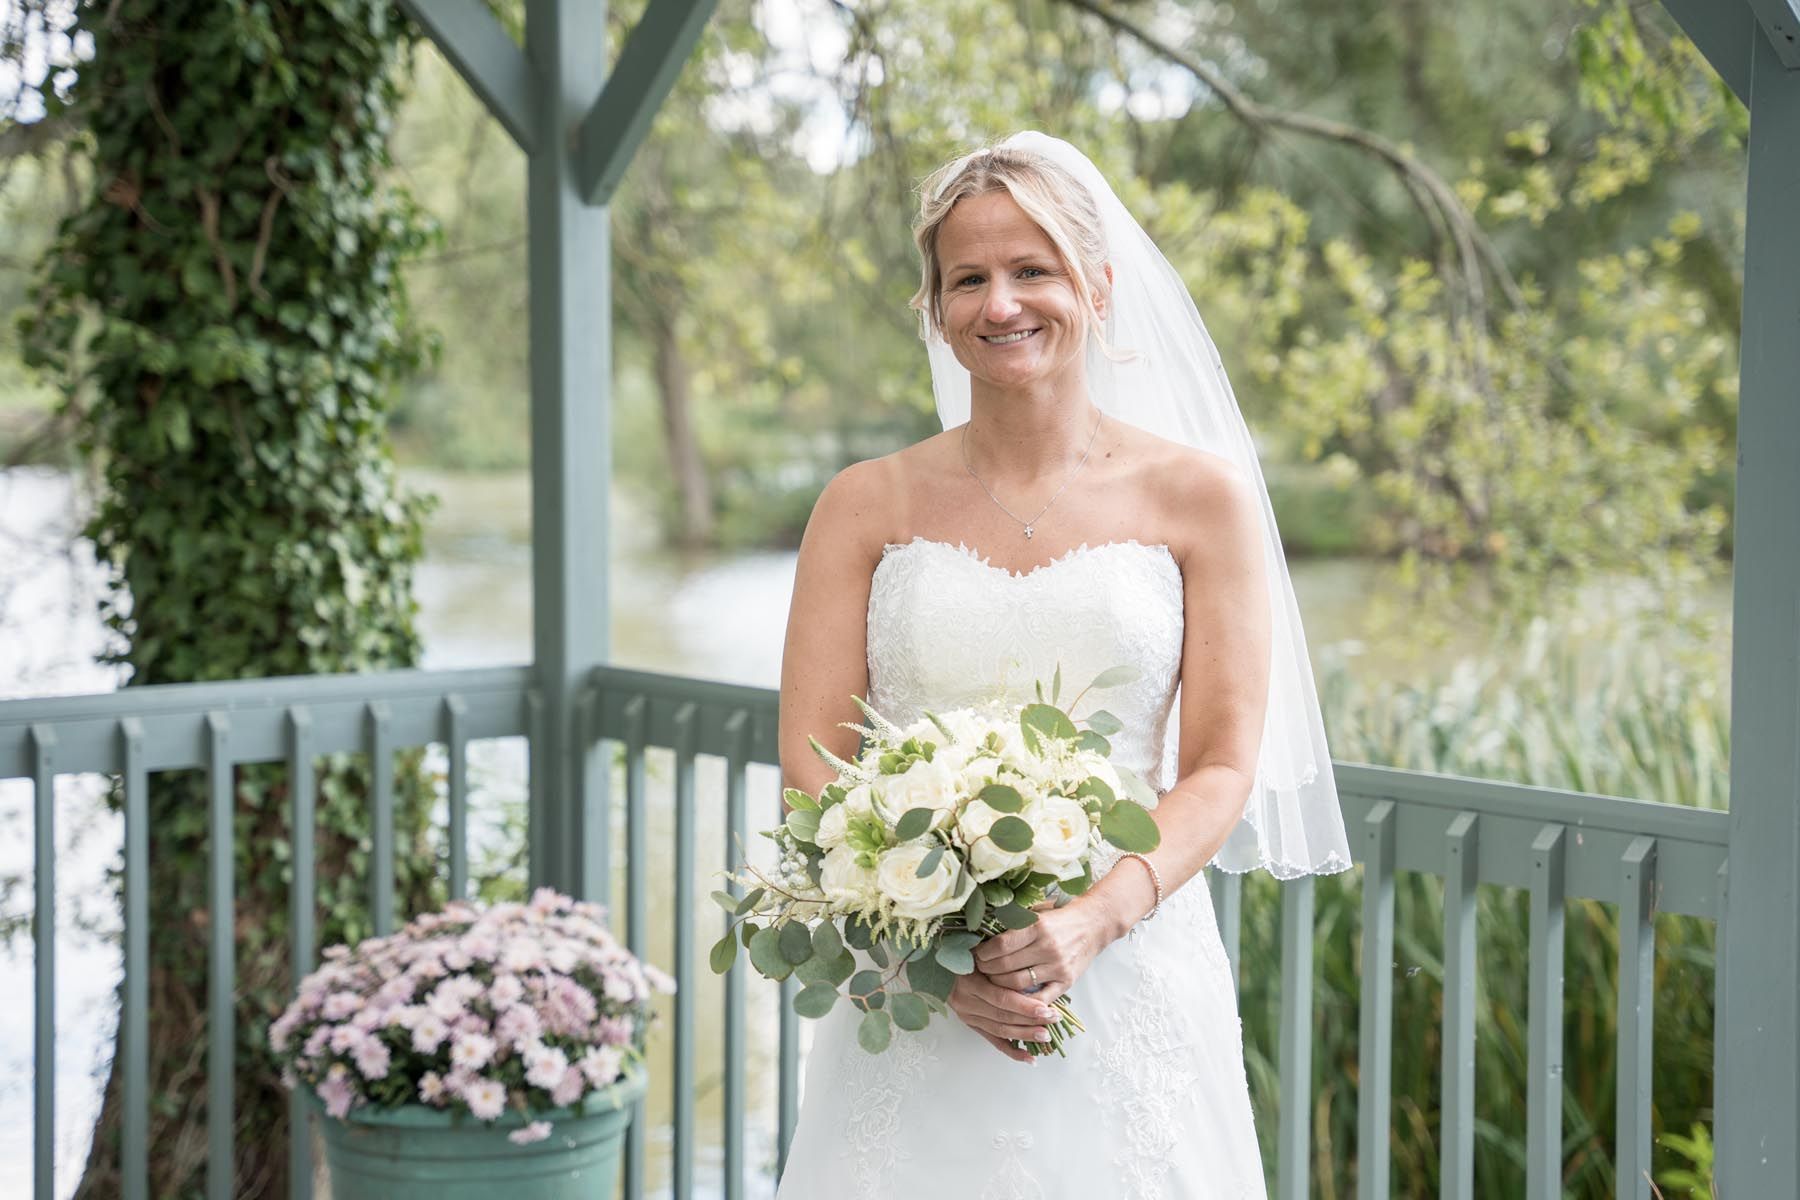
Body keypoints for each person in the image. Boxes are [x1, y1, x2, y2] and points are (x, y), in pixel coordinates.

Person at [773, 132, 1351, 1199]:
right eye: (969, 279)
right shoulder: (866, 504)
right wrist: (940, 964)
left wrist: (1096, 916)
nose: (1002, 305)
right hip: (915, 989)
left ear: (1097, 283)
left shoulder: (1199, 499)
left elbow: (1221, 765)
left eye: (1031, 270)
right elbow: (816, 772)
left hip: (1131, 967)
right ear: (935, 308)